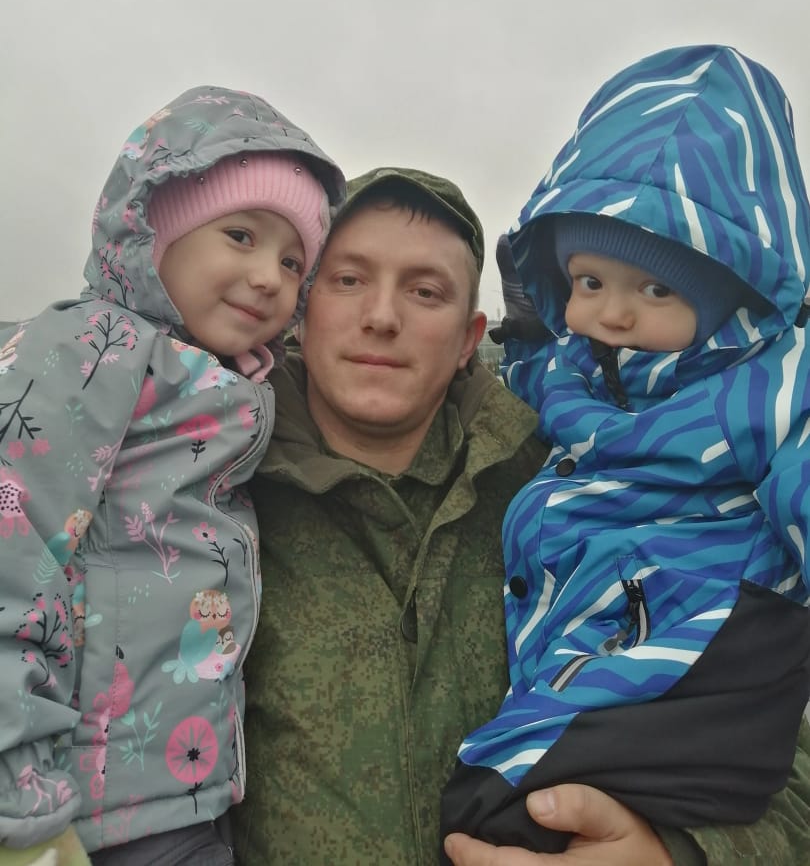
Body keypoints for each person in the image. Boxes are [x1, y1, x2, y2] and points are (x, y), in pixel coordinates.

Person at [231, 163, 810, 865]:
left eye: (425, 291)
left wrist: (685, 855)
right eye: (349, 279)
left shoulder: (587, 486)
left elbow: (782, 751)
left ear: (470, 337)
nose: (381, 317)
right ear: (303, 306)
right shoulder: (199, 496)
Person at [440, 44, 810, 853]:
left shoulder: (771, 389)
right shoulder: (576, 371)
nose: (611, 315)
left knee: (494, 803)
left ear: (729, 297)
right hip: (606, 651)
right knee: (496, 801)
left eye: (657, 288)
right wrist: (521, 340)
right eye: (589, 282)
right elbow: (541, 378)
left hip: (698, 649)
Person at [0, 86, 345, 864]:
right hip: (80, 805)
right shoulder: (91, 349)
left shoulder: (224, 389)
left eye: (293, 261)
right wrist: (17, 802)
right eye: (240, 235)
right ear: (153, 230)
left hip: (185, 790)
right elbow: (13, 552)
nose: (269, 276)